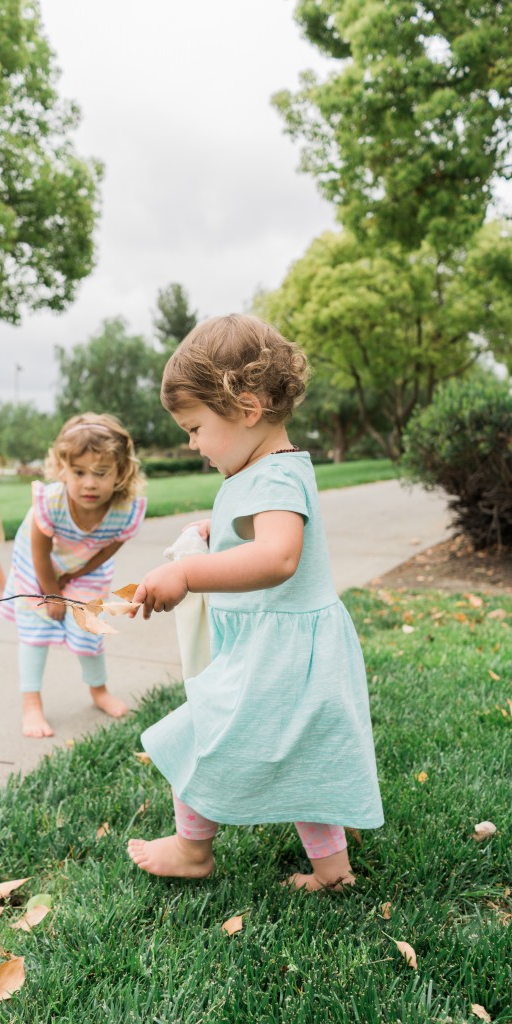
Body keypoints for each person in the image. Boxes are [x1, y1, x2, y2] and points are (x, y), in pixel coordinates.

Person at [128, 314, 383, 891]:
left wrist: (189, 573)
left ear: (246, 410)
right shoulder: (267, 470)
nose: (191, 444)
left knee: (198, 736)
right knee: (303, 759)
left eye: (194, 428)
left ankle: (193, 850)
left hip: (278, 657)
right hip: (289, 653)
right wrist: (217, 532)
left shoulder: (271, 479)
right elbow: (259, 538)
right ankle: (332, 872)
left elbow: (277, 557)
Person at [0, 413, 146, 739]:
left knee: (88, 629)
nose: (89, 483)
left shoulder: (125, 510)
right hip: (37, 563)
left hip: (86, 564)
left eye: (101, 472)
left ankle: (99, 691)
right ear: (61, 469)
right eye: (78, 472)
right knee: (37, 628)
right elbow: (39, 550)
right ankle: (31, 703)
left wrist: (74, 576)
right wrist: (51, 593)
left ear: (121, 472)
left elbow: (109, 550)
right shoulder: (51, 502)